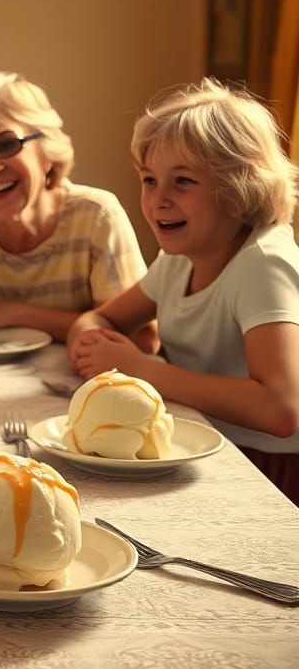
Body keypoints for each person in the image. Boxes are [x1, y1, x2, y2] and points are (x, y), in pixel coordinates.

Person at [68, 78, 299, 504]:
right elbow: (102, 317)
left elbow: (281, 409)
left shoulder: (262, 264)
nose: (158, 200)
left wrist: (141, 367)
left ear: (238, 186)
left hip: (268, 470)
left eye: (183, 182)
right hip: (201, 445)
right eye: (149, 180)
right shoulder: (178, 257)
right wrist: (91, 337)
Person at [0, 71, 156, 350]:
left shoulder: (95, 216)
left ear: (46, 152)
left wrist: (19, 314)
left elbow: (143, 339)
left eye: (6, 144)